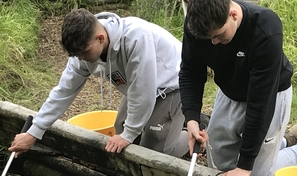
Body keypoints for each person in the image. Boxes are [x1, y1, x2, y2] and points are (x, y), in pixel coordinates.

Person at [179, 0, 297, 176]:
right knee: (219, 169)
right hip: (228, 92)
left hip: (270, 95)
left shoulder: (265, 28)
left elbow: (260, 104)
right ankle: (285, 140)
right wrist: (191, 119)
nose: (214, 43)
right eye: (208, 39)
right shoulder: (197, 23)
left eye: (218, 36)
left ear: (233, 14)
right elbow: (190, 72)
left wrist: (244, 166)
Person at [9, 8, 189, 158]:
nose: (81, 58)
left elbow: (143, 90)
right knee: (121, 129)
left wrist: (129, 133)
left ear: (100, 38)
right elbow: (63, 91)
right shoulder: (82, 50)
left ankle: (191, 134)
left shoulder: (135, 38)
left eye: (84, 53)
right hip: (138, 86)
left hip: (173, 85)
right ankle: (169, 127)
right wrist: (34, 132)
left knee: (154, 151)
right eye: (76, 55)